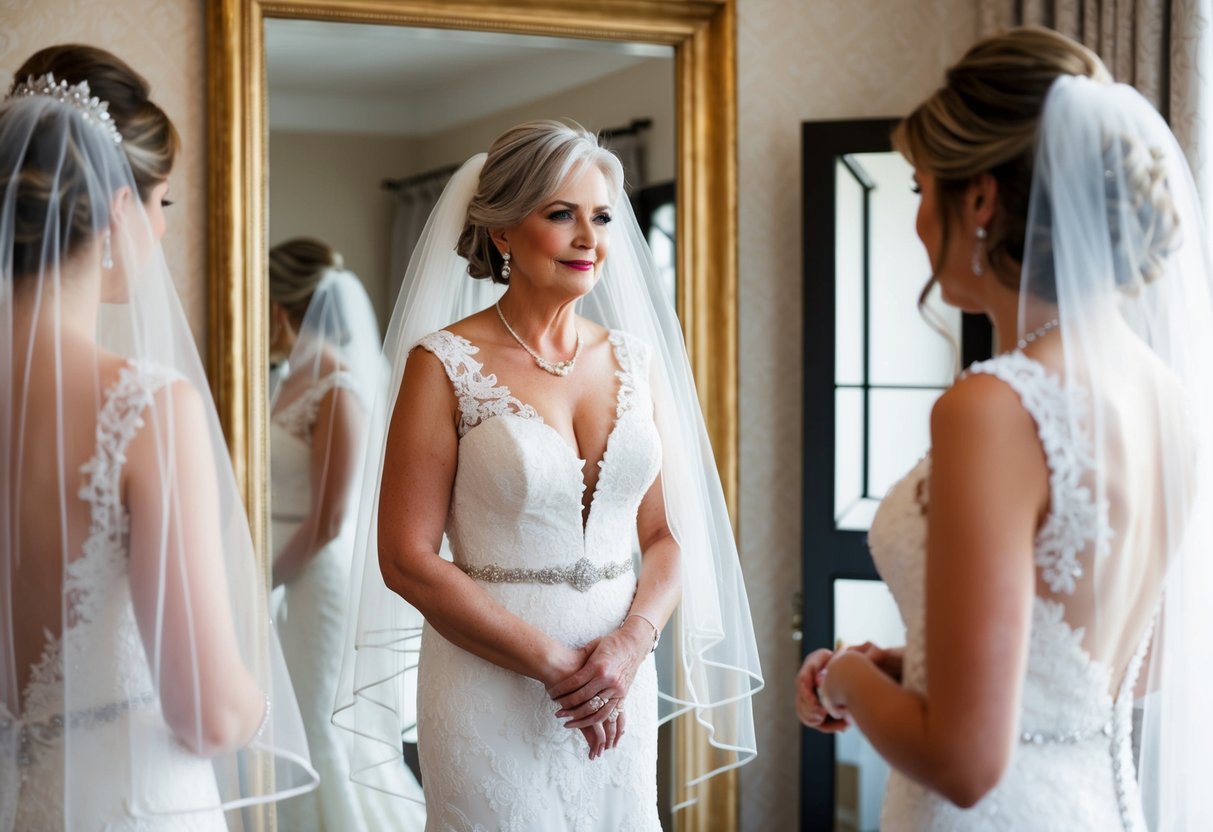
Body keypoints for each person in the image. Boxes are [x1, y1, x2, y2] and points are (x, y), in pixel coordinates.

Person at [797, 26, 1213, 830]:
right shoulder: (1167, 394)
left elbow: (963, 764)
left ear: (980, 198)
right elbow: (1135, 668)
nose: (916, 218)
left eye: (921, 187)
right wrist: (911, 667)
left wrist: (846, 677)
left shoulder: (994, 406)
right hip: (1094, 801)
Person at [331, 119, 763, 827]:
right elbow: (406, 560)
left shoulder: (636, 360)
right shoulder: (442, 365)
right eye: (560, 215)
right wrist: (557, 666)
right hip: (487, 683)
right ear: (502, 231)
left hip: (618, 679)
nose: (589, 238)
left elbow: (670, 534)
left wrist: (628, 646)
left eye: (599, 217)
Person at [0, 45, 316, 829]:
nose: (162, 229)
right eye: (163, 203)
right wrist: (260, 698)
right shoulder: (142, 406)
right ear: (116, 211)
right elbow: (207, 713)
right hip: (130, 802)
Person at [267, 237, 423, 830]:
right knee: (288, 720)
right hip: (282, 569)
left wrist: (265, 577)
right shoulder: (286, 381)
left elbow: (331, 519)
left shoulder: (339, 388)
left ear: (283, 310)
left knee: (314, 722)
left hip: (314, 575)